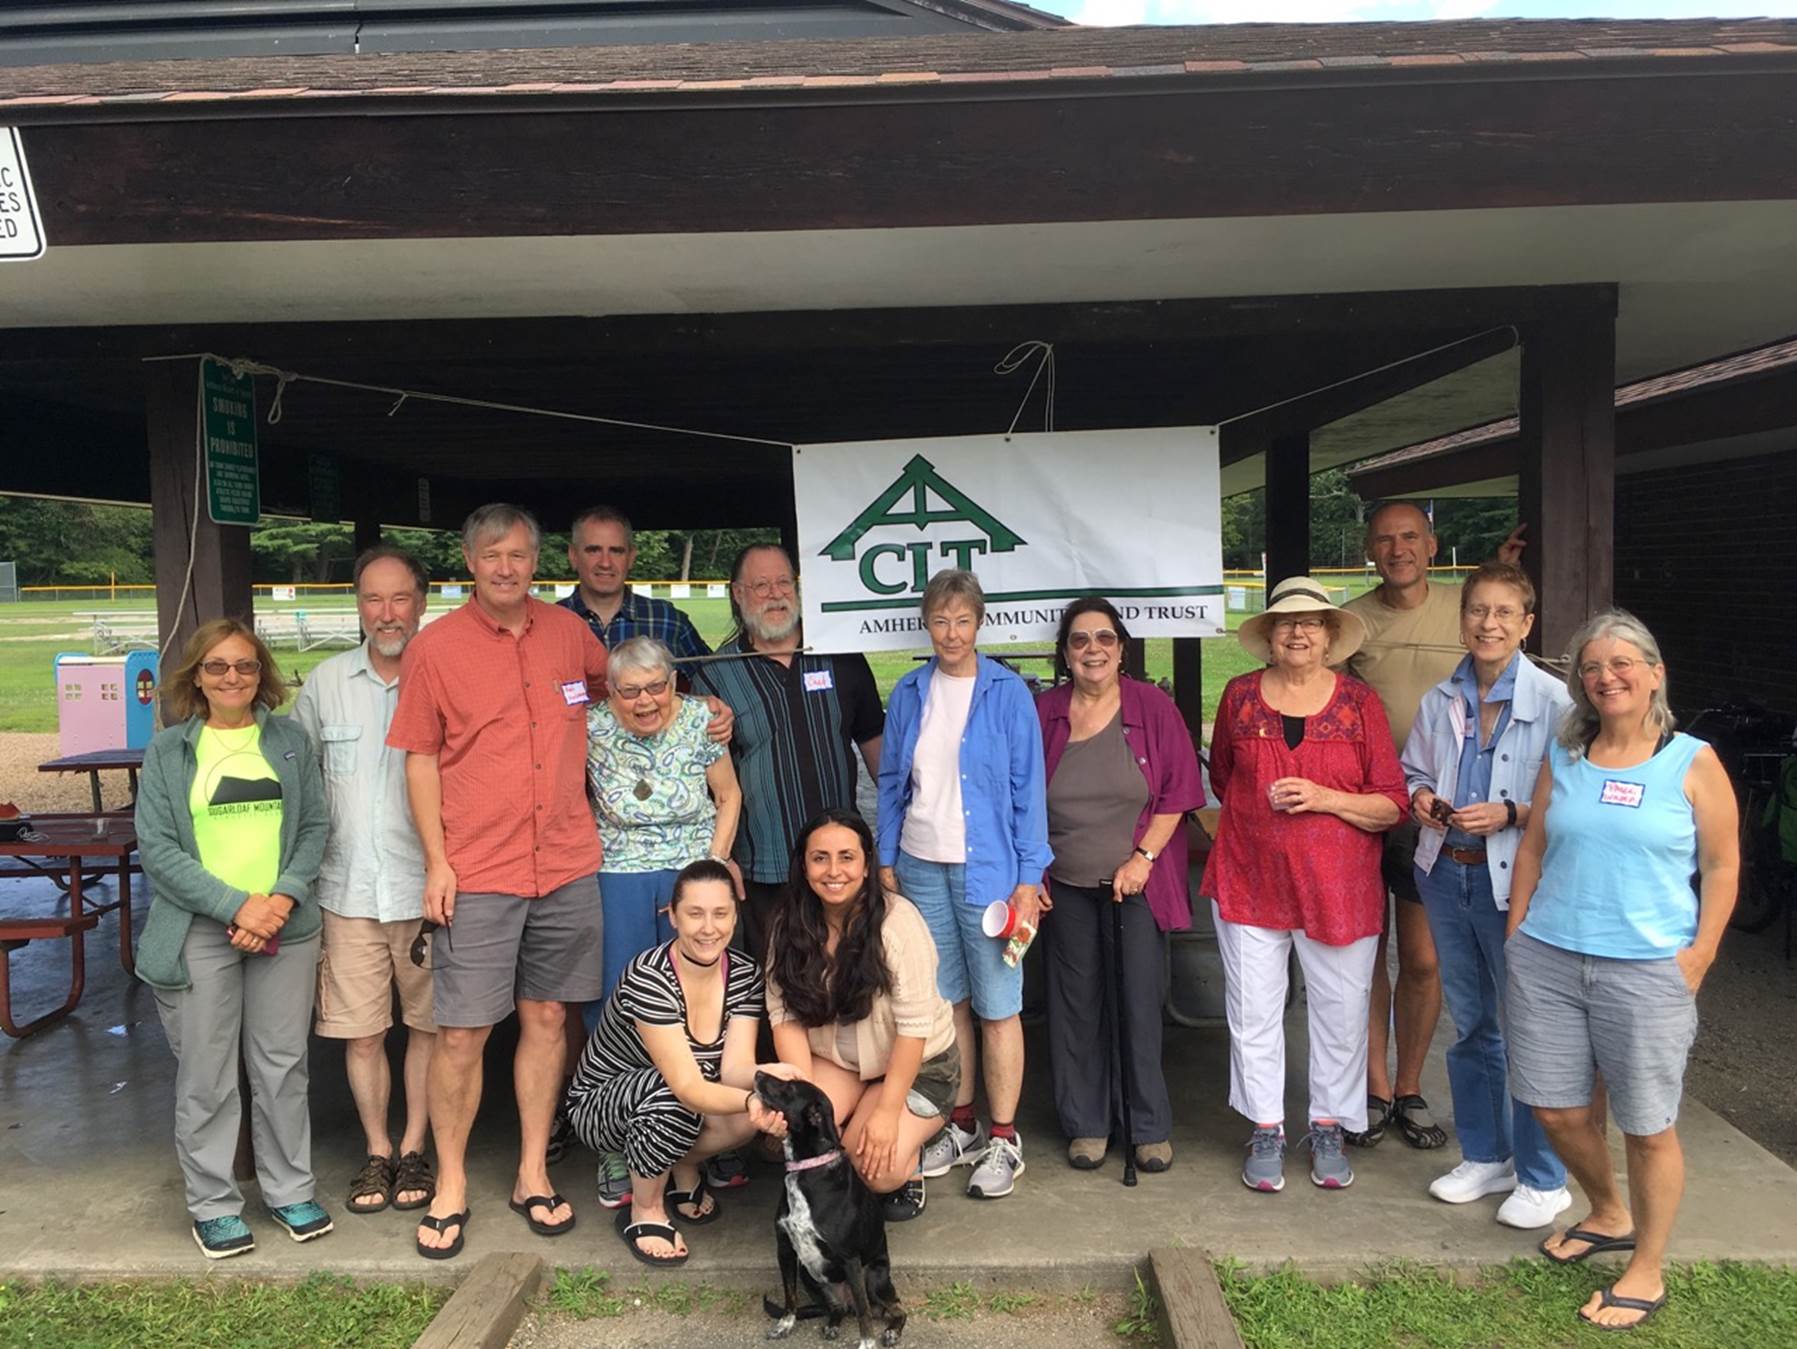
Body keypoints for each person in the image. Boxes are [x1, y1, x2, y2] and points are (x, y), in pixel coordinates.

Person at [386, 503, 609, 1259]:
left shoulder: (569, 634)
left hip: (567, 861)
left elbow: (624, 698)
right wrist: (438, 861)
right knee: (461, 1033)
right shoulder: (436, 648)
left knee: (546, 1020)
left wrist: (700, 714)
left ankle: (530, 1170)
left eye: (518, 554)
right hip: (479, 868)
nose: (506, 567)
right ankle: (450, 1181)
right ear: (470, 560)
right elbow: (418, 756)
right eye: (492, 555)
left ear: (536, 559)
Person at [1506, 610, 1737, 1331]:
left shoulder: (1690, 760)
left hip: (1644, 966)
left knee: (1645, 1124)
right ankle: (1608, 1210)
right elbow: (1535, 847)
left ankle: (1646, 1264)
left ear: (1653, 673)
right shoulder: (1565, 754)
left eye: (1620, 663)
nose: (1605, 676)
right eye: (1591, 667)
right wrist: (1517, 933)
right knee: (1553, 1107)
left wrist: (1699, 952)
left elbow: (1722, 863)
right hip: (1547, 955)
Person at [1202, 576, 1408, 1193]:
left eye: (1311, 623)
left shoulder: (1359, 703)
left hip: (1338, 886)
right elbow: (1224, 776)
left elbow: (1392, 803)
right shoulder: (1239, 697)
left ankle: (1327, 1124)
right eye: (1285, 623)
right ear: (1268, 636)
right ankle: (1265, 1125)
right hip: (1250, 877)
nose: (1297, 632)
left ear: (1329, 637)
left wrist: (1322, 798)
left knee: (1342, 1011)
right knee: (1252, 1011)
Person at [135, 619, 330, 1259]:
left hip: (285, 926)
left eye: (245, 666)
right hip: (200, 929)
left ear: (261, 674)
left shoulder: (291, 741)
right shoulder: (168, 752)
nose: (232, 678)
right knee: (207, 1074)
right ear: (196, 676)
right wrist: (237, 907)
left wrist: (278, 901)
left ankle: (289, 1190)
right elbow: (159, 851)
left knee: (282, 1067)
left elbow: (315, 828)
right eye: (217, 666)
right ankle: (214, 1204)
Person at [1341, 504, 1524, 1150]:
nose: (1397, 549)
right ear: (1369, 549)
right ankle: (1374, 1086)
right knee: (1365, 956)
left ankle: (1410, 1085)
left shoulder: (1465, 606)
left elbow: (1509, 628)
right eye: (1384, 539)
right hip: (1369, 812)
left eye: (1409, 537)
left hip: (1440, 816)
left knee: (1421, 958)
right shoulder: (1353, 620)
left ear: (1431, 544)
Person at [1400, 563, 1573, 1229]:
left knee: (1531, 1026)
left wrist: (1512, 813)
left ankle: (1542, 1175)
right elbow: (1414, 768)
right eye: (1477, 610)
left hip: (1518, 883)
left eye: (1503, 612)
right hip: (1448, 873)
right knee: (1472, 1022)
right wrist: (1419, 796)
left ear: (1526, 623)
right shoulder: (1438, 698)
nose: (1488, 623)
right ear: (1462, 616)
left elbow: (1574, 805)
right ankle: (1485, 1152)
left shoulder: (1557, 704)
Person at [876, 568, 1051, 1202]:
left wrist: (1031, 877)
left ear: (980, 624)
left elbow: (1028, 793)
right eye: (940, 621)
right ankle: (961, 1121)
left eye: (963, 621)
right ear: (927, 625)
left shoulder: (1007, 692)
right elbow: (893, 781)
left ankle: (1004, 1137)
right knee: (946, 1003)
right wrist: (886, 854)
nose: (951, 633)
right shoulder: (909, 691)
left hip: (991, 872)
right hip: (921, 867)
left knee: (998, 1005)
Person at [292, 546, 439, 1217]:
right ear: (357, 604)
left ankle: (415, 1145)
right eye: (372, 599)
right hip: (347, 889)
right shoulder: (324, 683)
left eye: (399, 598)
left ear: (422, 600)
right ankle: (377, 1150)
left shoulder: (444, 673)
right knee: (362, 1033)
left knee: (430, 1027)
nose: (386, 613)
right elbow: (295, 783)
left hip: (426, 888)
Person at [1036, 599, 1203, 1174]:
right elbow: (1021, 798)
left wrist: (1143, 858)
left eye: (1104, 638)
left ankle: (1146, 1125)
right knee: (1075, 1007)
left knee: (1138, 1002)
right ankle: (1086, 1125)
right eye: (1079, 641)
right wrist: (1033, 871)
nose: (1093, 650)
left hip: (1135, 884)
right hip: (1066, 884)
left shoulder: (1152, 706)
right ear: (1065, 652)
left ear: (1122, 647)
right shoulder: (1045, 712)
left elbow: (1180, 793)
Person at [584, 635, 746, 1207]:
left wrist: (713, 866)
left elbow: (728, 797)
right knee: (619, 1003)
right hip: (619, 873)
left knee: (705, 998)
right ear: (611, 692)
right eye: (630, 692)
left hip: (692, 873)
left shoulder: (703, 718)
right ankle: (615, 1139)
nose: (645, 701)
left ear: (674, 683)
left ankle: (711, 1126)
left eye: (656, 687)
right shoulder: (591, 725)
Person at [564, 860, 790, 1266]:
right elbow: (686, 1086)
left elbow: (734, 1067)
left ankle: (682, 1166)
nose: (709, 927)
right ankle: (646, 1211)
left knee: (751, 1106)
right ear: (673, 917)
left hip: (682, 1100)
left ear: (735, 917)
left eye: (720, 914)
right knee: (674, 1095)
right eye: (695, 913)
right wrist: (749, 1100)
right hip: (604, 1105)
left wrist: (765, 1082)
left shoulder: (743, 973)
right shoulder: (648, 977)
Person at [691, 543, 884, 966]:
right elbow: (703, 786)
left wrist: (890, 841)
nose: (775, 594)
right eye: (761, 585)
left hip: (841, 865)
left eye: (783, 582)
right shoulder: (713, 674)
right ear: (738, 595)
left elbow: (878, 753)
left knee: (849, 975)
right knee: (777, 985)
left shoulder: (841, 655)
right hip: (765, 867)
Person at [767, 809, 960, 1221]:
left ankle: (912, 1156)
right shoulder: (790, 921)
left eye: (846, 857)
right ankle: (853, 1117)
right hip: (841, 1062)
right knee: (787, 1136)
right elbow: (783, 1013)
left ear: (866, 862)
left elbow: (914, 1029)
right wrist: (801, 1100)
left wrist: (888, 1115)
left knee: (873, 1170)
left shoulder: (897, 923)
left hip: (918, 1064)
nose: (833, 870)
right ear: (803, 864)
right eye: (820, 858)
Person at [559, 504, 710, 670]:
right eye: (593, 550)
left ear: (631, 557)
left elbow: (712, 681)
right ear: (573, 556)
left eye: (616, 551)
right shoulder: (548, 625)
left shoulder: (669, 621)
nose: (605, 563)